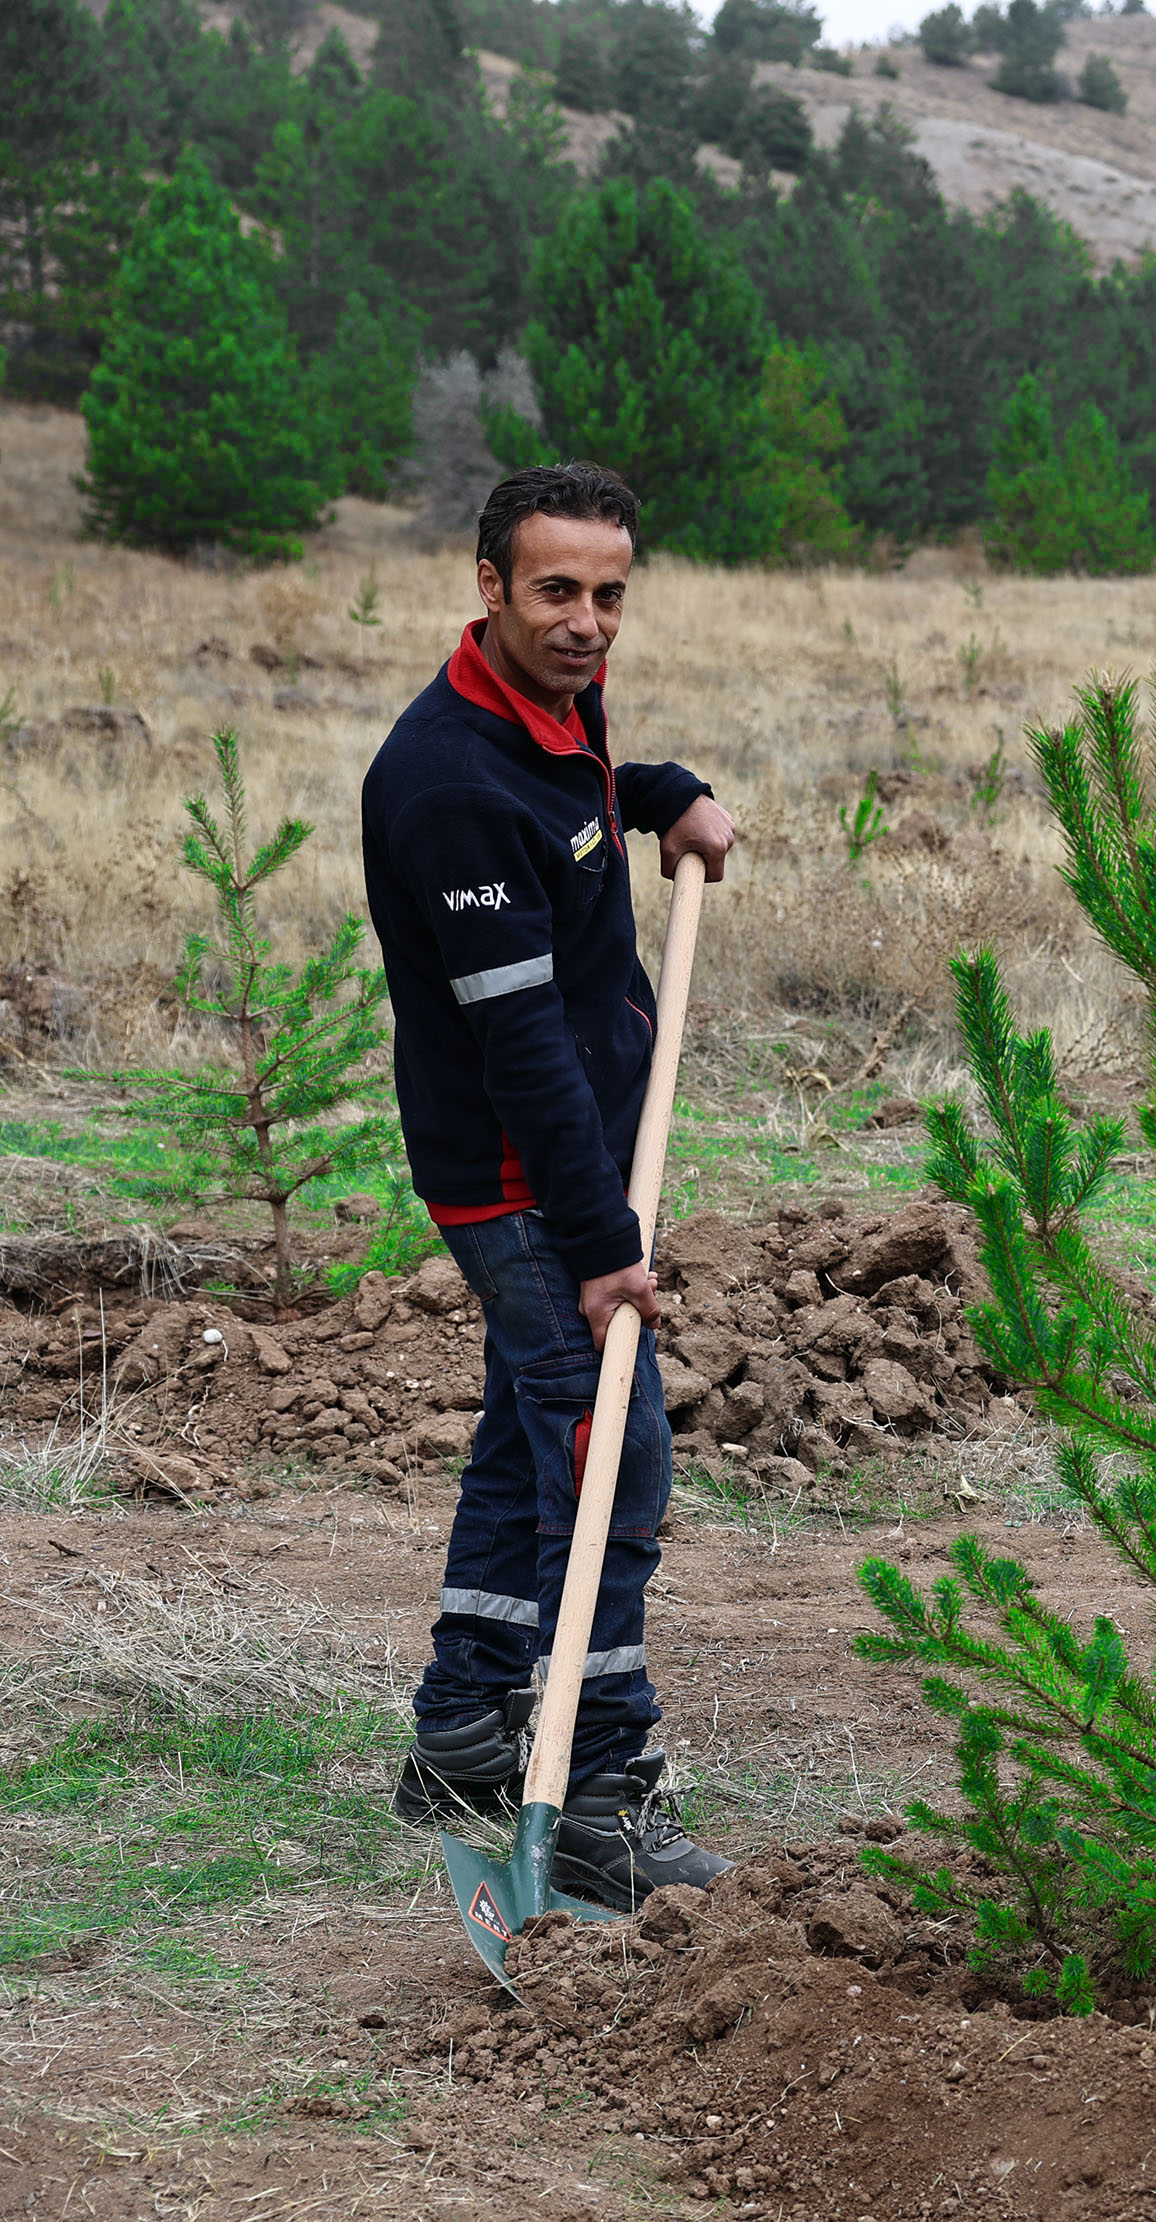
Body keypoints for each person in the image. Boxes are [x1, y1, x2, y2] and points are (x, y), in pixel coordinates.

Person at [365, 463, 737, 1908]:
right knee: (612, 1457)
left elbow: (573, 801)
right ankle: (597, 1790)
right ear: (488, 587)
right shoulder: (446, 784)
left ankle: (464, 1730)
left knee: (533, 1437)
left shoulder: (544, 712)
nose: (589, 623)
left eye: (609, 594)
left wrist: (661, 792)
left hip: (562, 1152)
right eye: (557, 592)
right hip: (523, 1176)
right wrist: (599, 1246)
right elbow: (520, 1047)